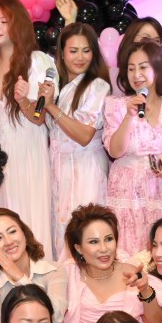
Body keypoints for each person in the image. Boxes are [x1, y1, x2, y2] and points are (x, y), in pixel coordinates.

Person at [0, 0, 58, 258]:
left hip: (28, 149)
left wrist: (23, 101)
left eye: (4, 21)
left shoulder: (38, 62)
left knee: (29, 217)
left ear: (17, 24)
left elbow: (40, 118)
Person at [103, 41, 162, 255]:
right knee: (130, 255)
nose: (136, 75)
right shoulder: (116, 106)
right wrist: (128, 116)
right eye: (131, 68)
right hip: (128, 192)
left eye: (143, 67)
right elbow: (115, 151)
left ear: (157, 68)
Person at [60, 204, 162, 323]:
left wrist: (145, 290)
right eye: (93, 242)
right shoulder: (70, 277)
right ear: (78, 248)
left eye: (109, 239)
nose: (104, 249)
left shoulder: (131, 272)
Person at [47, 22, 112, 258]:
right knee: (62, 232)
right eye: (73, 51)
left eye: (86, 50)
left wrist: (52, 107)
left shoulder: (97, 86)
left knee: (86, 231)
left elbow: (85, 135)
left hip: (85, 168)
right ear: (62, 53)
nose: (80, 57)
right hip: (60, 168)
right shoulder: (59, 87)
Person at [115, 18, 162, 99]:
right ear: (130, 40)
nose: (151, 45)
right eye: (145, 39)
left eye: (156, 41)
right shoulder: (114, 75)